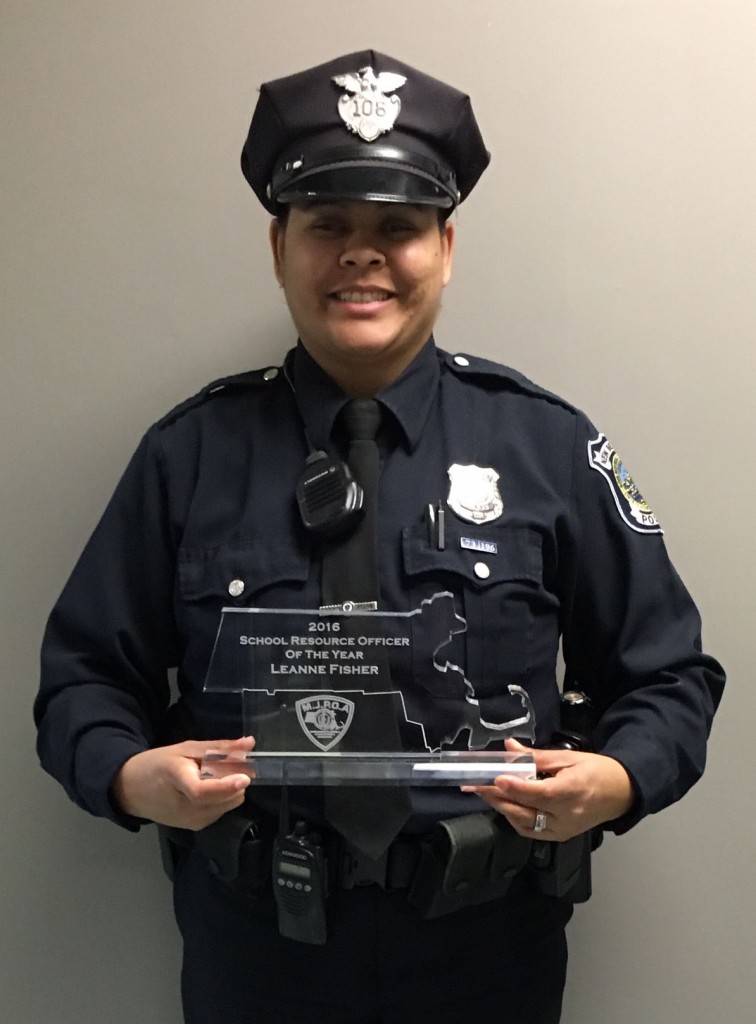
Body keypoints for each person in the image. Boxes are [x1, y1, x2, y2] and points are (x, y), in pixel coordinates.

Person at [35, 49, 724, 1024]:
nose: (362, 254)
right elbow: (82, 677)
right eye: (329, 226)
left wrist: (615, 780)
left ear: (447, 248)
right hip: (256, 955)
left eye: (397, 227)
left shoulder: (546, 447)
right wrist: (126, 774)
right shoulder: (188, 456)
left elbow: (670, 676)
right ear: (280, 249)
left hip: (487, 952)